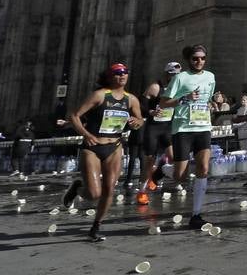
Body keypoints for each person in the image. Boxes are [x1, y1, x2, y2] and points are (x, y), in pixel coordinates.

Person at [63, 63, 143, 241]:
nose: (121, 76)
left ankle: (96, 226)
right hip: (93, 147)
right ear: (109, 76)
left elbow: (140, 119)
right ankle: (78, 188)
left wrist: (136, 122)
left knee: (109, 190)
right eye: (117, 73)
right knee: (94, 194)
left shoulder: (131, 99)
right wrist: (86, 134)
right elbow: (75, 116)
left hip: (114, 146)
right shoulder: (100, 95)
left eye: (125, 73)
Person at [160, 45, 218, 229]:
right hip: (183, 129)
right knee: (180, 176)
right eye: (195, 58)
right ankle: (163, 170)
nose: (199, 61)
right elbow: (164, 102)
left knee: (203, 167)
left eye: (202, 58)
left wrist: (211, 105)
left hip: (203, 127)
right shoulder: (180, 78)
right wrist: (183, 99)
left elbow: (207, 98)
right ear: (189, 60)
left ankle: (196, 214)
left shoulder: (210, 77)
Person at [136, 62, 181, 205]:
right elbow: (140, 104)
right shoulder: (156, 87)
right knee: (149, 161)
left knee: (175, 158)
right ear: (167, 74)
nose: (175, 78)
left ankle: (160, 176)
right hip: (153, 127)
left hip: (168, 126)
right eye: (173, 75)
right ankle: (142, 191)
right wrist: (150, 111)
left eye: (178, 75)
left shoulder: (178, 88)